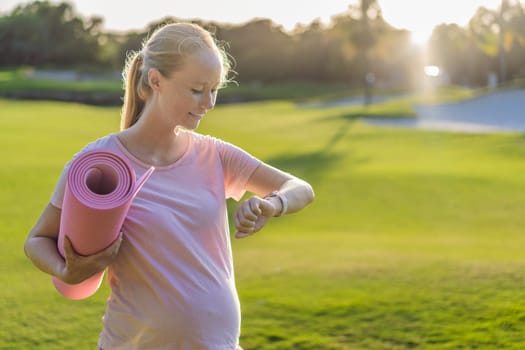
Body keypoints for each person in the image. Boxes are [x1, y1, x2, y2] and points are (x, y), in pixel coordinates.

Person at [24, 22, 314, 350]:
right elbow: (37, 240)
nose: (208, 103)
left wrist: (272, 204)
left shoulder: (215, 155)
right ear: (156, 80)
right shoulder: (98, 163)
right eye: (196, 89)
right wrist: (66, 270)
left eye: (214, 89)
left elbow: (300, 187)